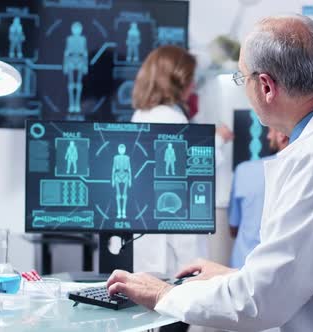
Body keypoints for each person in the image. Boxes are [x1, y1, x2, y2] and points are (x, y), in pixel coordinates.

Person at [108, 15, 313, 332]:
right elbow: (309, 274)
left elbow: (260, 302)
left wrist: (165, 294)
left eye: (241, 78)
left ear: (265, 86)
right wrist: (233, 277)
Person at [130, 45, 233, 332]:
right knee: (173, 320)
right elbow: (188, 174)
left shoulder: (141, 116)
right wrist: (218, 140)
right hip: (170, 248)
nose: (193, 86)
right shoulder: (172, 120)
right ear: (177, 80)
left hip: (148, 244)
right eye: (190, 79)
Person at [228, 127, 288, 268]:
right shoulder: (307, 172)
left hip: (242, 268)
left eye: (271, 131)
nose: (268, 137)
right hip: (281, 270)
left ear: (281, 134)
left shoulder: (244, 170)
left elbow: (233, 228)